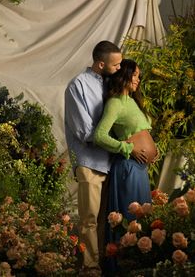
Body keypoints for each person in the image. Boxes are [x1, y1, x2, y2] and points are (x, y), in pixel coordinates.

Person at [94, 58, 158, 275]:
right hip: (128, 168)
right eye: (135, 75)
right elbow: (99, 136)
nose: (138, 79)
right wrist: (127, 148)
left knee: (141, 219)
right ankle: (120, 270)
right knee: (128, 220)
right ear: (125, 75)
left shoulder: (131, 101)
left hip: (140, 170)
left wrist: (151, 153)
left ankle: (138, 269)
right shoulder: (115, 103)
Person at [64, 41, 122, 276]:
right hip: (89, 162)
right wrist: (120, 143)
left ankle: (103, 263)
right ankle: (90, 267)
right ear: (101, 64)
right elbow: (84, 132)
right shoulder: (77, 86)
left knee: (105, 220)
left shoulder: (112, 85)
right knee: (88, 218)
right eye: (116, 64)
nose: (120, 68)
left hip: (111, 162)